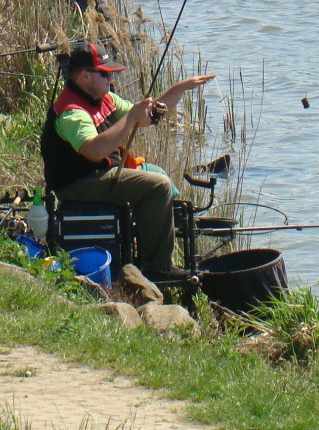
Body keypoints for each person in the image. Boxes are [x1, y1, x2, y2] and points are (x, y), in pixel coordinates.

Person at [40, 41, 215, 283]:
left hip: (100, 173)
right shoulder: (72, 112)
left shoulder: (105, 97)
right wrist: (132, 118)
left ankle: (157, 239)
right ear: (84, 77)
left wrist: (178, 89)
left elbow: (145, 117)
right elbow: (94, 151)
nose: (110, 79)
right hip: (78, 182)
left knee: (156, 172)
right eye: (105, 74)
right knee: (158, 186)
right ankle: (158, 268)